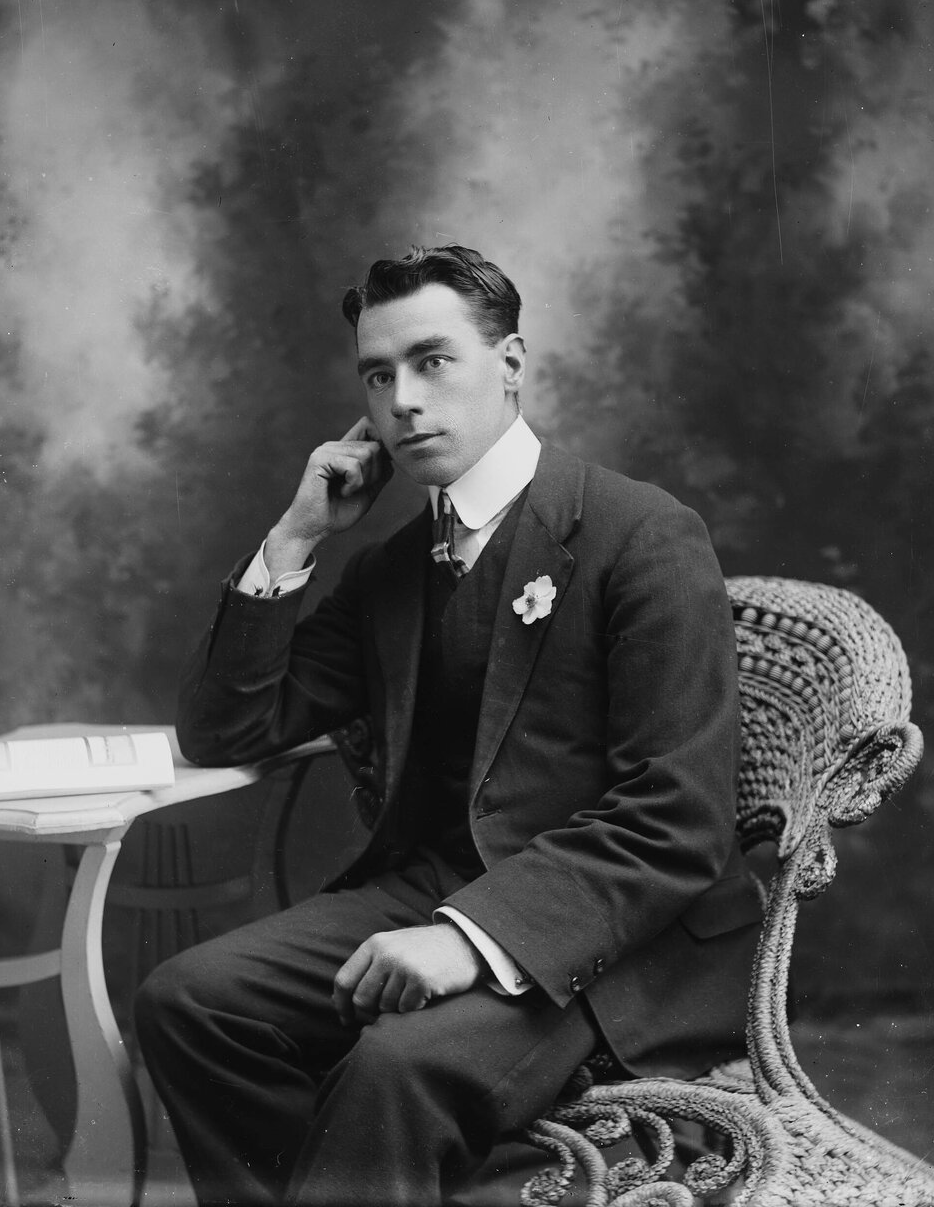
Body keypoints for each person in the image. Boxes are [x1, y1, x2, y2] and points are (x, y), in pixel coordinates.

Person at [135, 244, 762, 1207]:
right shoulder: (392, 567)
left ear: (509, 364)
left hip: (621, 942)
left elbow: (675, 818)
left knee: (394, 1070)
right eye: (378, 375)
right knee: (192, 1004)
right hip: (433, 888)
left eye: (433, 362)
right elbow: (224, 729)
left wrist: (472, 940)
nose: (403, 401)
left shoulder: (641, 534)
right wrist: (296, 535)